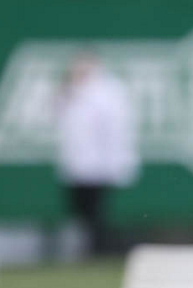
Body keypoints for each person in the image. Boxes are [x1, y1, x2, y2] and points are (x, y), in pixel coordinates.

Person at [56, 52, 139, 257]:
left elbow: (115, 129)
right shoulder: (70, 91)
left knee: (98, 212)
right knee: (82, 212)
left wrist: (117, 161)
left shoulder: (108, 92)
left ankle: (101, 250)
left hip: (101, 165)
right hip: (77, 166)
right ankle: (89, 249)